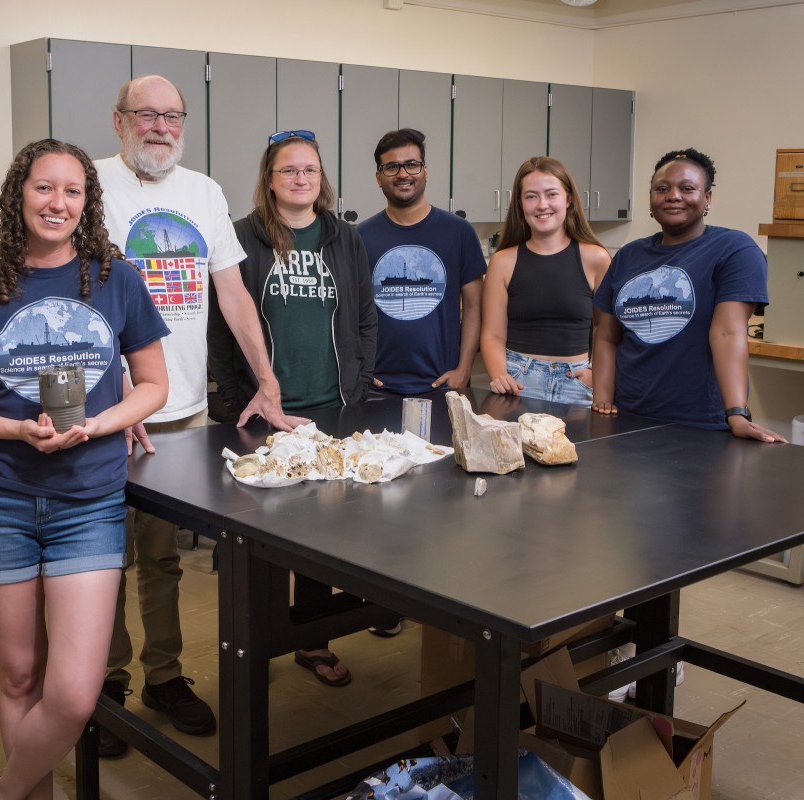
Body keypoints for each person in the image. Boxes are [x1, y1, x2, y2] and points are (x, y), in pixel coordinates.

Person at [0, 139, 170, 800]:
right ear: (19, 195)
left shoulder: (118, 280)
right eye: (43, 187)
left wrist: (101, 423)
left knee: (74, 692)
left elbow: (152, 385)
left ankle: (0, 795)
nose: (57, 202)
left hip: (87, 501)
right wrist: (10, 429)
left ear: (87, 203)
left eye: (72, 191)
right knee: (20, 678)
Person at [94, 75, 308, 755]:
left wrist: (267, 381)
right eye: (145, 114)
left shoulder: (203, 193)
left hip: (180, 412)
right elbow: (82, 299)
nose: (159, 126)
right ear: (120, 120)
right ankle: (103, 686)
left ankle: (163, 675)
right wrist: (120, 391)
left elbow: (234, 296)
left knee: (161, 559)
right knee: (100, 559)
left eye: (171, 115)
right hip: (111, 412)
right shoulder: (90, 186)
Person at [207, 130, 376, 686]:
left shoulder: (343, 238)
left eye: (310, 170)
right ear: (270, 178)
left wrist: (357, 382)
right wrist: (237, 398)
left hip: (332, 408)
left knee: (323, 535)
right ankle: (254, 648)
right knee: (260, 539)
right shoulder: (241, 238)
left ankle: (311, 642)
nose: (301, 179)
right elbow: (221, 328)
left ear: (321, 178)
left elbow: (365, 317)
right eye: (289, 170)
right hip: (263, 415)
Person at [591, 146, 786, 443]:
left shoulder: (734, 249)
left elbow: (728, 334)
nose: (673, 196)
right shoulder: (629, 255)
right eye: (662, 188)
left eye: (687, 188)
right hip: (627, 419)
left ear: (707, 198)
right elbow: (606, 335)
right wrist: (602, 403)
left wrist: (736, 412)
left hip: (700, 424)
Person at [358, 128, 484, 397]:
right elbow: (348, 314)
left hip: (443, 385)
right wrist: (360, 369)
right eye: (392, 167)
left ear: (425, 171)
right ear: (378, 177)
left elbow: (474, 306)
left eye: (412, 165)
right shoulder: (359, 237)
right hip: (376, 389)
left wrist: (464, 369)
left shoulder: (459, 232)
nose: (403, 174)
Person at [480, 156, 611, 405]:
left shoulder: (596, 258)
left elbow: (605, 330)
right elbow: (493, 334)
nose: (542, 205)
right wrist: (500, 375)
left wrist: (597, 373)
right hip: (518, 382)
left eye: (551, 194)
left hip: (577, 383)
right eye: (531, 196)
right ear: (520, 204)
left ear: (569, 199)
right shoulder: (502, 262)